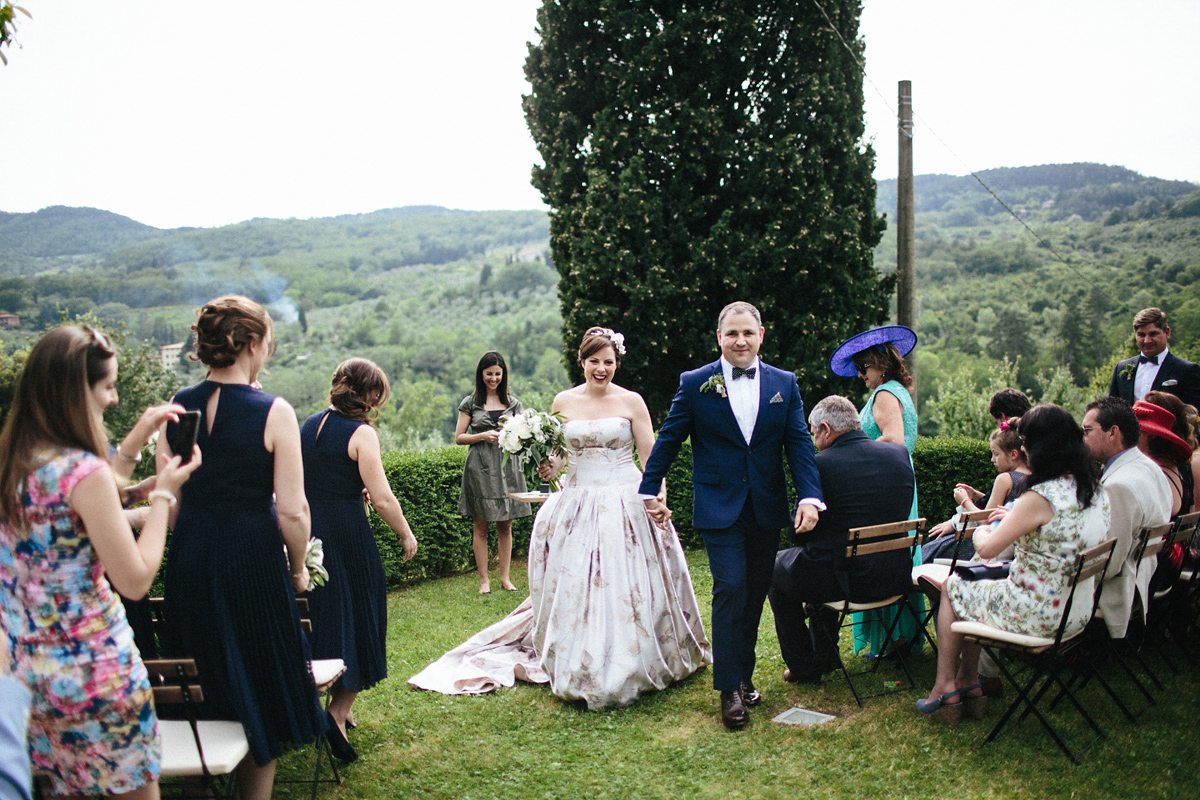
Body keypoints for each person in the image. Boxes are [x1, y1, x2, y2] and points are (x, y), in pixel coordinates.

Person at [410, 327, 711, 710]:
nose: (601, 369)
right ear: (581, 362)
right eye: (594, 362)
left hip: (625, 497)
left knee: (626, 581)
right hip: (578, 500)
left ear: (617, 363)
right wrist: (550, 466)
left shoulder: (632, 401)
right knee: (578, 582)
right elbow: (563, 456)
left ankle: (634, 656)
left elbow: (651, 455)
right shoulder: (563, 400)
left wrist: (657, 496)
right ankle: (578, 655)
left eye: (609, 362)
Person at [0, 325, 200, 798]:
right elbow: (134, 578)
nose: (113, 398)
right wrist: (163, 498)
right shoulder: (82, 471)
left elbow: (77, 509)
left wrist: (132, 446)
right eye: (107, 386)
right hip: (97, 676)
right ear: (75, 392)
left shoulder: (13, 461)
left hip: (29, 677)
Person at [158, 296, 326, 800]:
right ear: (252, 344)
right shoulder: (273, 411)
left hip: (190, 558)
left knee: (200, 674)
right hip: (251, 558)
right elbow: (293, 511)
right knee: (264, 678)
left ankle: (199, 788)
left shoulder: (176, 407)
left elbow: (169, 500)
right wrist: (299, 568)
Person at [639, 302, 823, 731]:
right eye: (732, 334)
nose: (740, 341)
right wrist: (649, 489)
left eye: (748, 333)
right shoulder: (695, 383)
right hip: (718, 508)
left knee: (755, 592)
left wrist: (810, 497)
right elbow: (668, 439)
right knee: (730, 588)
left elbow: (799, 445)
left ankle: (743, 673)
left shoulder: (785, 383)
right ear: (718, 337)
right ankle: (728, 692)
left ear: (761, 334)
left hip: (765, 508)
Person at [916, 404, 1110, 723]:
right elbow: (1056, 530)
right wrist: (1014, 518)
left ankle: (945, 688)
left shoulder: (1041, 496)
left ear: (1036, 448)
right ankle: (969, 682)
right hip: (1076, 611)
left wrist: (986, 528)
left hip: (1038, 614)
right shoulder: (1093, 488)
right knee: (977, 583)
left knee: (953, 586)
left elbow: (989, 548)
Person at [301, 358, 419, 762]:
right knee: (364, 614)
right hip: (347, 534)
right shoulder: (362, 434)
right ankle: (337, 712)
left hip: (311, 533)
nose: (377, 402)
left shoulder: (308, 425)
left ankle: (334, 706)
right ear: (367, 394)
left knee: (327, 616)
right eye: (376, 394)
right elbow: (383, 496)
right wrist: (405, 532)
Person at [768, 396, 915, 684]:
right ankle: (825, 655)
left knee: (774, 571)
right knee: (822, 558)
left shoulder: (819, 466)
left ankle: (803, 666)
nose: (813, 441)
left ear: (826, 429)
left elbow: (797, 531)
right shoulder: (899, 455)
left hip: (846, 582)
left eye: (813, 433)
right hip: (894, 575)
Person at [829, 325, 921, 658]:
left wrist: (855, 450)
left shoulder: (885, 394)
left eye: (863, 368)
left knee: (880, 553)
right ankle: (899, 638)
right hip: (898, 477)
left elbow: (894, 439)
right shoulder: (897, 390)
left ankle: (894, 641)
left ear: (879, 365)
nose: (859, 375)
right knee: (892, 552)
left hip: (885, 481)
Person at [1081, 397, 1171, 640]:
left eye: (1087, 430)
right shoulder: (1149, 467)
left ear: (1113, 432)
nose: (1082, 437)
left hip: (1117, 589)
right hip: (1146, 575)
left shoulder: (1119, 485)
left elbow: (1107, 566)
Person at [455, 351, 531, 594]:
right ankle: (484, 580)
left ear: (503, 375)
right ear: (481, 374)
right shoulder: (470, 403)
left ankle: (506, 578)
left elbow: (524, 434)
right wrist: (482, 436)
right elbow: (459, 437)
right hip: (480, 468)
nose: (494, 378)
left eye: (498, 374)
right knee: (481, 525)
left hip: (507, 467)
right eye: (489, 374)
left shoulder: (513, 403)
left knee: (506, 525)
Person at [922, 423, 1030, 564]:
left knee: (931, 545)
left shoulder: (1005, 478)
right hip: (1012, 545)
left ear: (1014, 454)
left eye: (996, 454)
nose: (992, 459)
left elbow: (985, 519)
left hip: (988, 544)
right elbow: (1001, 505)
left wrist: (965, 501)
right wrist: (976, 495)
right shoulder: (1030, 475)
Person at [1108, 306, 1200, 409]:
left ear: (1167, 332)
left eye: (1153, 334)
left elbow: (1194, 415)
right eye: (1141, 335)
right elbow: (1112, 411)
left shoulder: (1187, 370)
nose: (1147, 340)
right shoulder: (1121, 368)